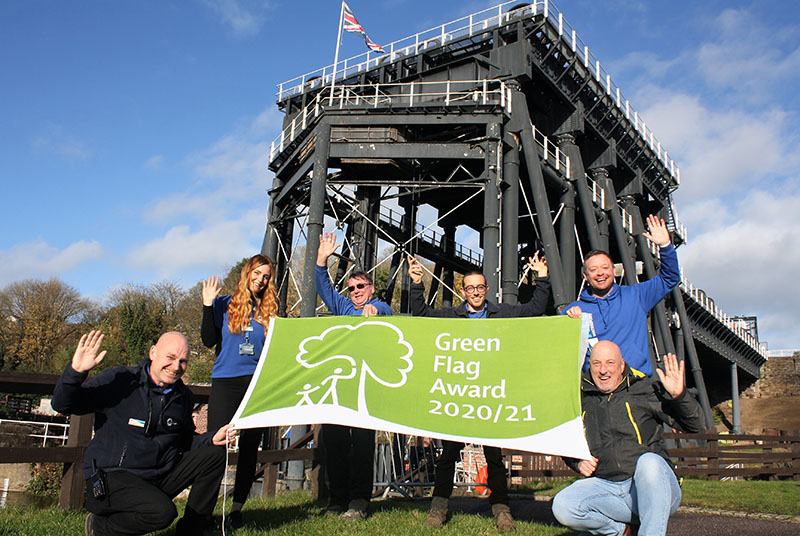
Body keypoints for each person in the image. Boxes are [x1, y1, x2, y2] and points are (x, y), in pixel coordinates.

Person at [408, 253, 551, 531]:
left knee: (494, 457)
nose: (475, 292)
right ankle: (438, 508)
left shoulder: (503, 313)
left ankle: (501, 508)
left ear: (486, 290)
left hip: (491, 394)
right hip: (460, 395)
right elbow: (421, 316)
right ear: (463, 291)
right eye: (470, 288)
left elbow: (535, 309)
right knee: (449, 454)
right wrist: (416, 283)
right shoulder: (452, 315)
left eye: (480, 287)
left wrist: (542, 277)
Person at [51, 331, 233, 536]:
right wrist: (75, 372)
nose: (176, 367)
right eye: (171, 358)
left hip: (156, 477)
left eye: (183, 361)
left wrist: (211, 438)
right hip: (112, 477)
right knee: (163, 513)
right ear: (153, 352)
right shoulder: (120, 381)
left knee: (215, 454)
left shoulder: (183, 397)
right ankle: (100, 527)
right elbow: (62, 404)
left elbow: (183, 442)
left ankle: (192, 530)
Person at [552, 340, 704, 536]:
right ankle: (621, 530)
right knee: (563, 505)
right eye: (597, 363)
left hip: (653, 489)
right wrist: (576, 462)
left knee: (649, 462)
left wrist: (680, 396)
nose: (603, 370)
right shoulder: (581, 398)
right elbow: (561, 437)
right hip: (608, 488)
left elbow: (696, 426)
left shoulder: (644, 390)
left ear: (622, 365)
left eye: (610, 363)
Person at [315, 231, 392, 520]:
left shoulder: (379, 306)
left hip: (365, 386)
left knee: (361, 445)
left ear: (371, 288)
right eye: (352, 288)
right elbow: (323, 288)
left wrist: (375, 310)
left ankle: (359, 502)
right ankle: (337, 500)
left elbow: (383, 311)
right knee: (333, 443)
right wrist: (321, 259)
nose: (357, 291)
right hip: (338, 385)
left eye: (361, 286)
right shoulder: (344, 307)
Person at [201, 254, 279, 528]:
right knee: (215, 447)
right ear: (247, 273)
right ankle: (205, 511)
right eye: (257, 274)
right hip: (225, 381)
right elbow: (209, 339)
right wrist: (207, 304)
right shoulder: (224, 304)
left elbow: (275, 352)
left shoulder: (269, 311)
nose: (260, 280)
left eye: (265, 276)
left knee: (249, 449)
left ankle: (236, 510)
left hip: (255, 385)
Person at [564, 215, 680, 376]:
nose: (600, 273)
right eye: (593, 270)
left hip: (636, 383)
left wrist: (665, 246)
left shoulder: (636, 296)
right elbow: (560, 352)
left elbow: (670, 278)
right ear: (586, 276)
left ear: (613, 271)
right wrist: (569, 324)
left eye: (605, 268)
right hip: (597, 386)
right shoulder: (573, 311)